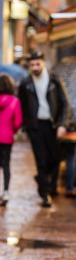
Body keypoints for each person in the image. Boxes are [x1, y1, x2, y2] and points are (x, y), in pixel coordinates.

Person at [19, 51, 70, 207]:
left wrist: (62, 124)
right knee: (40, 160)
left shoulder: (54, 81)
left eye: (37, 64)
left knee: (55, 158)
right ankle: (45, 194)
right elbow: (23, 106)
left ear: (43, 63)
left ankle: (42, 179)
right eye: (32, 65)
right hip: (35, 126)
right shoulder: (26, 83)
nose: (34, 67)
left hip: (52, 125)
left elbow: (64, 104)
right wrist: (25, 126)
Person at [0, 74, 23, 205]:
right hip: (7, 138)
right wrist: (11, 131)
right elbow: (18, 122)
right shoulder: (15, 101)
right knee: (6, 165)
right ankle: (6, 192)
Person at [59, 123, 76, 198]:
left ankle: (52, 187)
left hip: (60, 130)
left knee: (56, 158)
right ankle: (69, 188)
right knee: (71, 159)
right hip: (73, 131)